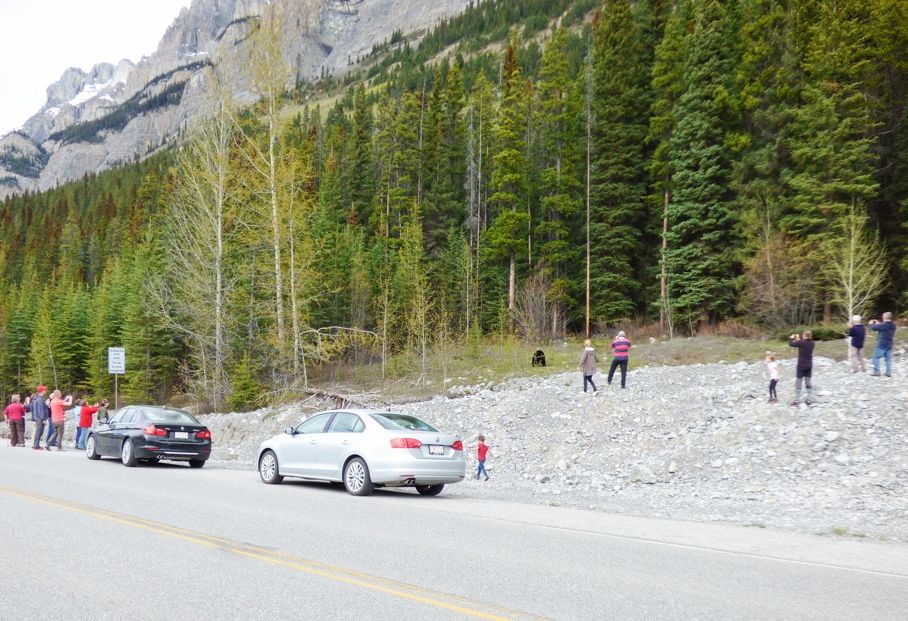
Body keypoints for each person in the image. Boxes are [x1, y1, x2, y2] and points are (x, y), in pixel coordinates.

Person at [789, 330, 815, 406]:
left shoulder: (801, 343)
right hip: (809, 365)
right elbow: (802, 344)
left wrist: (791, 338)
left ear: (804, 335)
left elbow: (791, 344)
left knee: (798, 383)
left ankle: (796, 400)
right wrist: (798, 339)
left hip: (801, 365)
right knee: (808, 382)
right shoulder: (812, 343)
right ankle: (809, 399)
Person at [869, 312, 897, 377]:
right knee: (888, 359)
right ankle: (888, 372)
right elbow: (882, 327)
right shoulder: (893, 325)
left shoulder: (883, 325)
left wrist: (871, 324)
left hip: (882, 344)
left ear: (884, 317)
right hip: (889, 344)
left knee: (875, 357)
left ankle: (877, 371)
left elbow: (874, 328)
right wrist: (878, 323)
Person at [27, 385, 50, 450]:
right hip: (40, 418)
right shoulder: (40, 399)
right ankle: (36, 446)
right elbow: (41, 410)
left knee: (39, 431)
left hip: (38, 418)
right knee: (39, 432)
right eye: (45, 390)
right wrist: (43, 419)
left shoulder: (38, 398)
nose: (46, 391)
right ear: (42, 391)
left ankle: (36, 445)